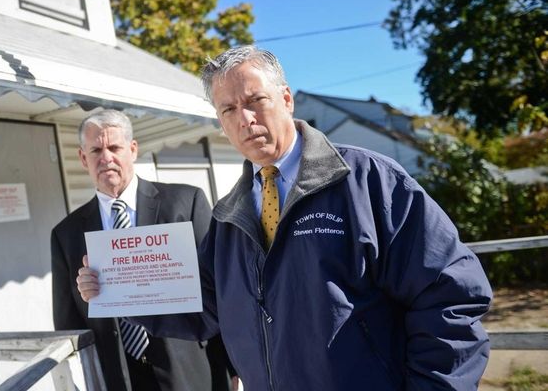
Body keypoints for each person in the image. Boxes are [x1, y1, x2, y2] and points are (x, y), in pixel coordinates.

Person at [76, 46, 493, 390]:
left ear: (286, 99)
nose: (245, 119)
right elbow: (200, 308)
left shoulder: (367, 182)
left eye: (255, 101)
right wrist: (116, 291)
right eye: (228, 110)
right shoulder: (228, 218)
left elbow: (450, 295)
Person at [51, 109, 233, 391]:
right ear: (83, 158)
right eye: (96, 149)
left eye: (114, 147)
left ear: (132, 150)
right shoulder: (67, 234)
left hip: (192, 372)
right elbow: (68, 326)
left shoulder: (186, 203)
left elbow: (221, 291)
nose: (106, 157)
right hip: (120, 379)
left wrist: (233, 368)